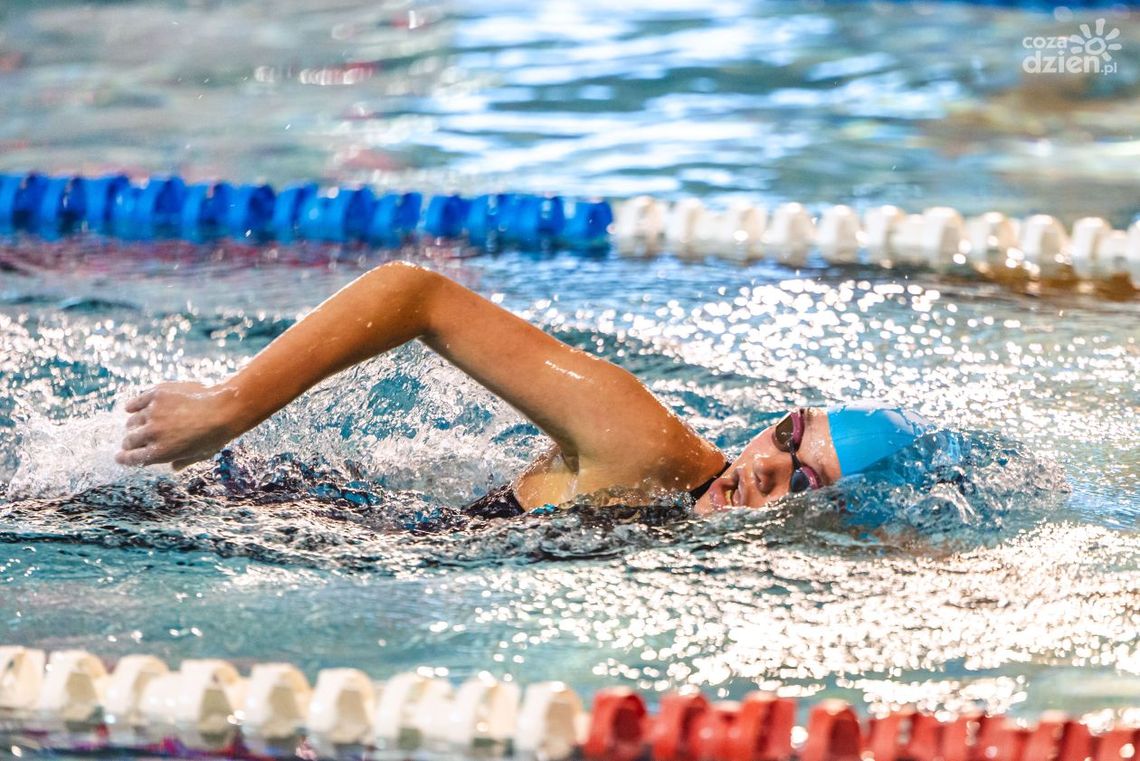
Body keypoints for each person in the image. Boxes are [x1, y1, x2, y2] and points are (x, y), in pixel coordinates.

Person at [115, 262, 931, 516]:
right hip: (246, 511)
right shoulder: (645, 445)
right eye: (788, 435)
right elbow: (414, 294)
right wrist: (225, 407)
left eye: (804, 479)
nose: (764, 467)